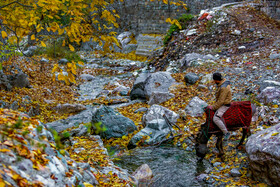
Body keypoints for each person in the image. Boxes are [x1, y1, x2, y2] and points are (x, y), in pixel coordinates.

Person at [208, 72, 232, 141]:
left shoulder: (223, 88)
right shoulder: (222, 84)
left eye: (214, 80)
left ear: (216, 80)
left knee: (216, 118)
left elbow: (221, 101)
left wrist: (213, 107)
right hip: (222, 103)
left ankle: (226, 133)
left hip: (225, 104)